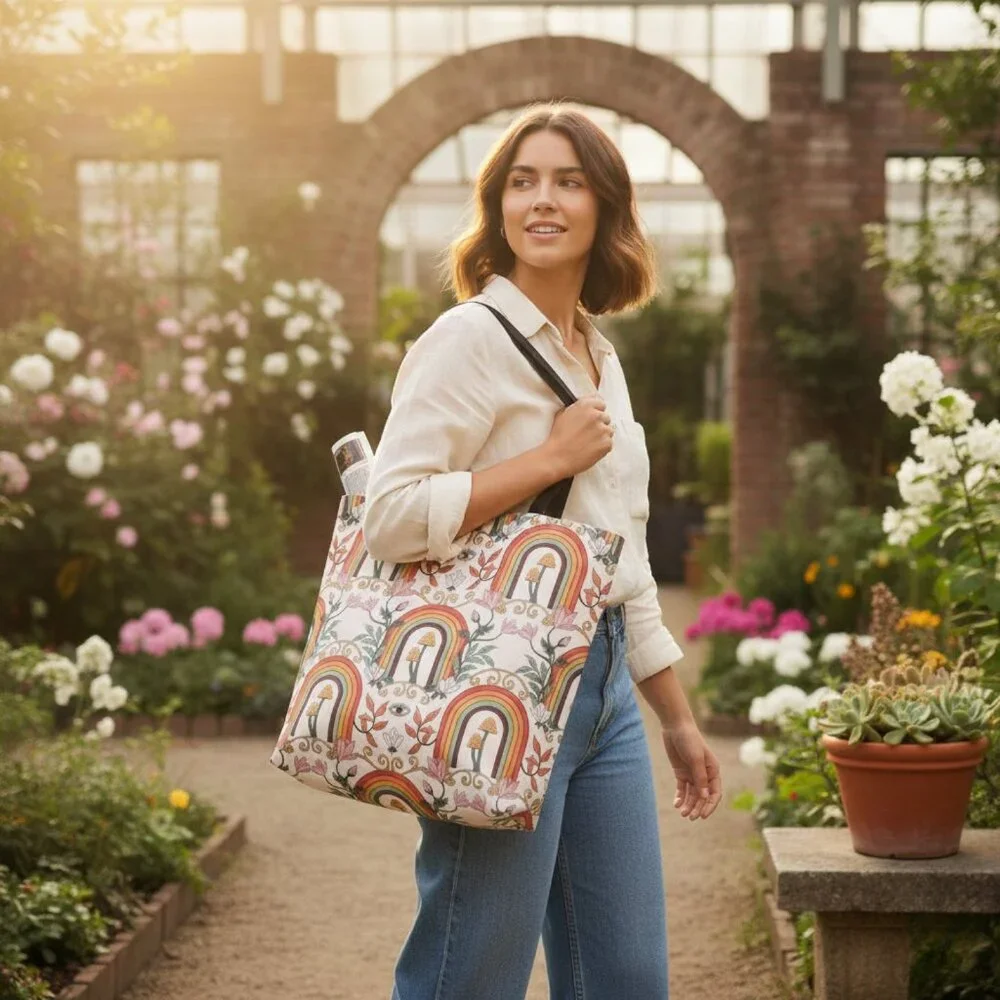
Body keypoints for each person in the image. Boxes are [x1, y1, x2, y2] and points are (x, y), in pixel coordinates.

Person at [362, 103, 723, 1000]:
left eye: (568, 180)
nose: (543, 200)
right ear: (497, 207)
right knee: (471, 971)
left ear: (605, 206)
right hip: (502, 681)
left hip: (602, 695)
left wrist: (674, 716)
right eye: (522, 182)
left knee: (627, 976)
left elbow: (622, 553)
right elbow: (391, 515)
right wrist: (545, 461)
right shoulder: (467, 339)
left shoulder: (600, 357)